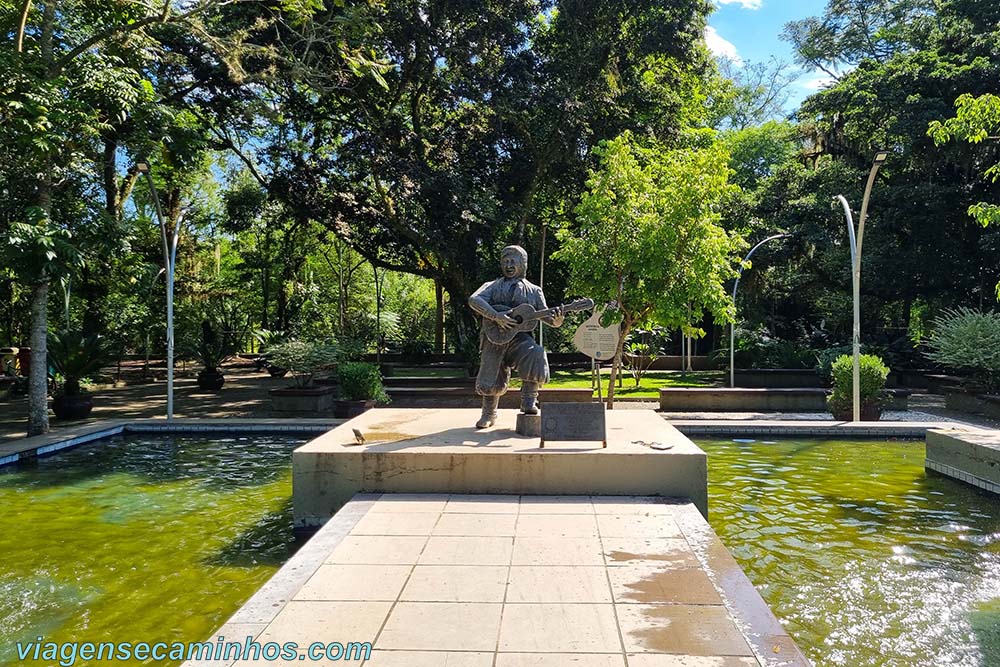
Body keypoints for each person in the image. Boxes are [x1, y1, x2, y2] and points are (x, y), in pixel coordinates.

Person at [468, 245, 564, 428]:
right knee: (491, 372)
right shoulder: (492, 285)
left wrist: (558, 320)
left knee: (535, 353)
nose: (509, 265)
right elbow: (474, 299)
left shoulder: (534, 291)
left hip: (520, 340)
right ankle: (489, 413)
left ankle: (529, 401)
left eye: (513, 261)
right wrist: (495, 316)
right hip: (494, 337)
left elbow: (547, 317)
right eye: (505, 261)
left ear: (523, 264)